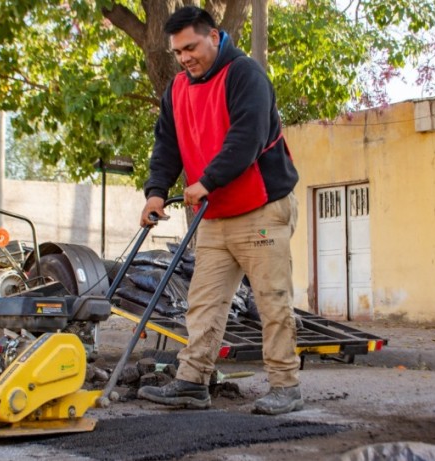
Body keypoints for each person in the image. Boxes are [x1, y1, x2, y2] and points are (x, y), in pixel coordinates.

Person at [137, 6, 301, 415]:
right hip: (214, 215)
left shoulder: (245, 75)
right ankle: (193, 383)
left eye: (190, 47)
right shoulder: (177, 89)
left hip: (261, 210)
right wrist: (156, 192)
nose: (184, 58)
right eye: (178, 52)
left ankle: (285, 387)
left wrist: (207, 180)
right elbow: (167, 145)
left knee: (272, 301)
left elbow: (246, 138)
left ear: (214, 36)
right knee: (203, 302)